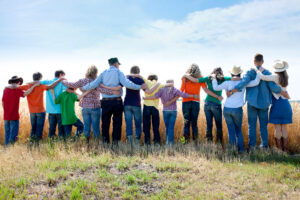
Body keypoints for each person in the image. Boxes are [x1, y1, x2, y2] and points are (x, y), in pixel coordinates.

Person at [228, 54, 289, 150]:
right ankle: (264, 147)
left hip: (251, 103)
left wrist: (233, 90)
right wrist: (283, 92)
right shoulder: (267, 73)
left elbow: (243, 82)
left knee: (251, 126)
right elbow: (273, 87)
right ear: (263, 61)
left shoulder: (250, 72)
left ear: (254, 61)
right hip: (264, 103)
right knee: (263, 126)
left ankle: (252, 146)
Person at [82, 57, 146, 146]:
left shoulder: (103, 73)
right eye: (118, 64)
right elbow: (127, 84)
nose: (118, 66)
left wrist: (84, 88)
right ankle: (115, 144)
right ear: (116, 64)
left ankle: (105, 143)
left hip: (105, 102)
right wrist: (139, 87)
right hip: (117, 101)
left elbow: (94, 84)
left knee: (105, 123)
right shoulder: (119, 72)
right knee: (117, 123)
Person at [61, 65, 119, 142]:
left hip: (85, 108)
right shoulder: (96, 82)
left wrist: (62, 80)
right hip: (95, 107)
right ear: (95, 73)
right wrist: (113, 92)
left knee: (86, 128)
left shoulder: (82, 81)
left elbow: (71, 85)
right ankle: (97, 144)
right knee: (96, 128)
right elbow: (103, 90)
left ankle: (87, 144)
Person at [212, 66, 260, 152]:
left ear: (231, 73)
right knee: (238, 130)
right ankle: (241, 150)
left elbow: (215, 88)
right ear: (240, 73)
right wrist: (258, 71)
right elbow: (256, 82)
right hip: (237, 110)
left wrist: (213, 78)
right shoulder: (243, 82)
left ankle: (232, 150)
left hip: (227, 109)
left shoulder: (227, 82)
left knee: (231, 131)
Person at [183, 67, 230, 145]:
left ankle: (209, 142)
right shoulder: (223, 78)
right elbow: (234, 78)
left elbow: (195, 80)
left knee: (209, 124)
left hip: (207, 104)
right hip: (216, 104)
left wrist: (185, 75)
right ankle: (219, 143)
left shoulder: (208, 78)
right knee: (218, 124)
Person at [144, 80, 199, 146]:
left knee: (167, 127)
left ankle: (168, 143)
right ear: (172, 83)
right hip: (173, 111)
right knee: (171, 128)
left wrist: (146, 98)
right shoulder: (174, 89)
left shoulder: (162, 89)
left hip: (165, 111)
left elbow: (155, 96)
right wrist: (193, 96)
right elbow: (183, 95)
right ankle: (170, 144)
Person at [256, 60, 292, 152]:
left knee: (277, 128)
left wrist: (257, 70)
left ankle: (279, 151)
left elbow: (263, 77)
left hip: (277, 104)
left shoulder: (275, 77)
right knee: (284, 128)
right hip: (286, 104)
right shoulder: (285, 77)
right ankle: (285, 150)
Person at [119, 66, 160, 147]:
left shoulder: (127, 78)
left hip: (127, 104)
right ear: (138, 72)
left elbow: (119, 86)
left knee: (129, 123)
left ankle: (130, 143)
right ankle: (137, 143)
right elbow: (147, 91)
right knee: (138, 124)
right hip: (136, 104)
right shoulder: (140, 79)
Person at [18, 72, 63, 142]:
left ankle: (32, 142)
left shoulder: (27, 86)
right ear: (40, 78)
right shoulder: (41, 86)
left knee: (33, 128)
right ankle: (37, 143)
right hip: (40, 111)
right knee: (39, 128)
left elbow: (17, 87)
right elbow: (51, 86)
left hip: (32, 111)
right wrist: (59, 80)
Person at [181, 64, 219, 144]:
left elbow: (181, 92)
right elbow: (206, 90)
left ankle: (184, 143)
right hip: (196, 103)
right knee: (194, 123)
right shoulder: (200, 78)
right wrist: (217, 96)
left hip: (185, 102)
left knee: (186, 123)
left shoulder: (185, 78)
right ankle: (195, 143)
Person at [2, 76, 39, 145]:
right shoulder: (17, 90)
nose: (20, 84)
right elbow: (26, 93)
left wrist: (6, 111)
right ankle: (11, 149)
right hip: (14, 116)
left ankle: (7, 148)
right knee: (13, 134)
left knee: (7, 133)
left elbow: (3, 102)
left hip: (6, 116)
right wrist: (33, 87)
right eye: (20, 82)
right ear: (18, 82)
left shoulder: (5, 90)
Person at [39, 70, 67, 139]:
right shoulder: (61, 83)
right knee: (61, 128)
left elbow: (37, 82)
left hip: (50, 110)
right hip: (59, 109)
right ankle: (61, 142)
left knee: (51, 128)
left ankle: (51, 142)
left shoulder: (47, 82)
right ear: (61, 75)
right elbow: (69, 89)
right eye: (63, 75)